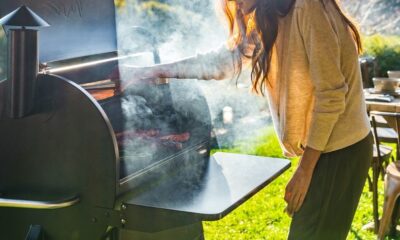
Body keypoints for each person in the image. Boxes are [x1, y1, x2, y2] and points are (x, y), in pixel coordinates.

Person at [118, 0, 373, 239]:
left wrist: (305, 171)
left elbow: (332, 96)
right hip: (324, 149)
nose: (235, 3)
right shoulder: (269, 16)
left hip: (341, 150)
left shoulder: (308, 7)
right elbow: (222, 62)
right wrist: (155, 70)